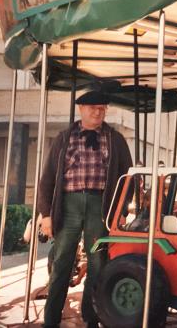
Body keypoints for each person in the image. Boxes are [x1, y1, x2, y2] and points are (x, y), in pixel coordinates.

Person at [38, 90, 132, 328]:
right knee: (61, 262)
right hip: (68, 205)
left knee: (98, 261)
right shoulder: (64, 137)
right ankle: (51, 320)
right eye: (93, 108)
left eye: (102, 108)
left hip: (100, 206)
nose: (98, 112)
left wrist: (121, 209)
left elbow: (129, 178)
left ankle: (92, 316)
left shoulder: (115, 139)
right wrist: (46, 215)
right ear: (81, 109)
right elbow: (47, 179)